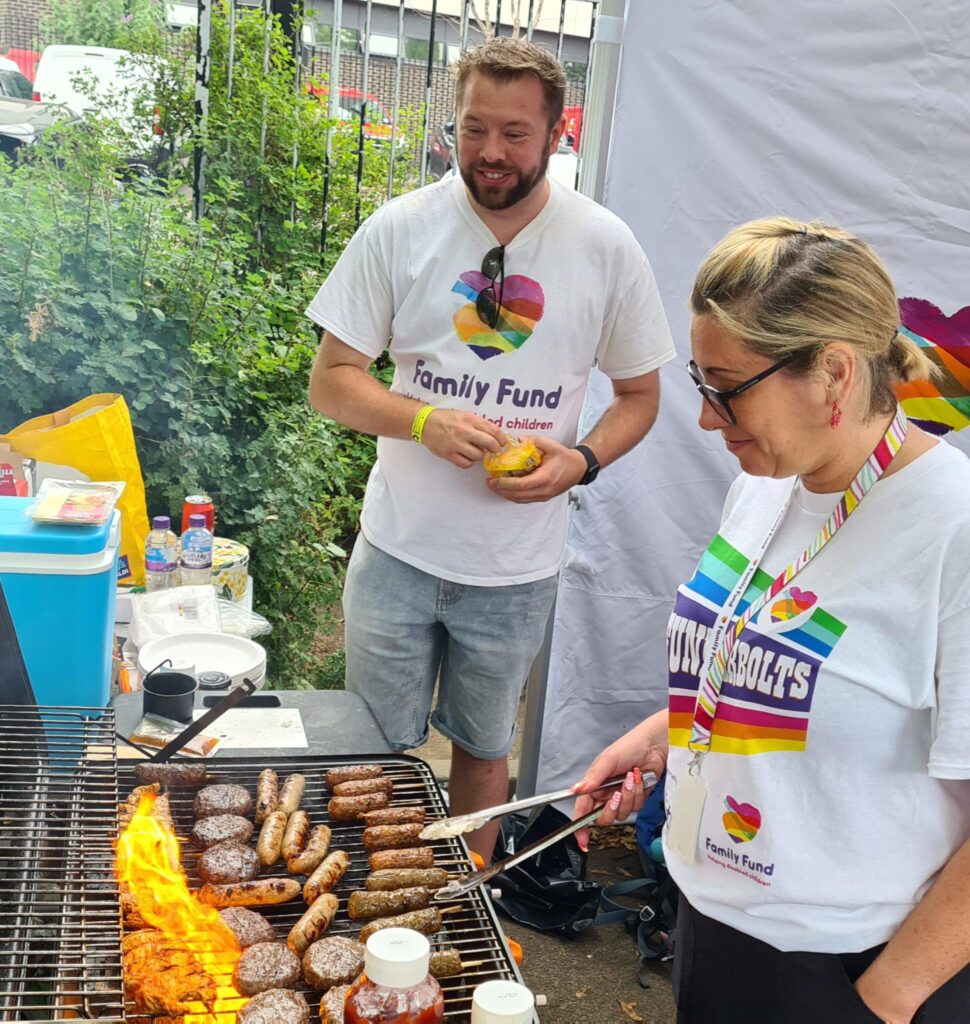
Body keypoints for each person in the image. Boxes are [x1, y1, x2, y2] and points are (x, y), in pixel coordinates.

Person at [574, 217, 970, 1023]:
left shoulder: (952, 527)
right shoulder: (768, 478)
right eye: (700, 381)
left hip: (850, 964)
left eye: (727, 387)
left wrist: (883, 1000)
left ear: (833, 373)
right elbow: (776, 659)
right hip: (716, 921)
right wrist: (667, 731)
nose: (707, 418)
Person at [307, 37, 676, 859]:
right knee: (372, 748)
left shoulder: (604, 245)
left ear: (556, 133)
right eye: (475, 129)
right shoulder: (400, 229)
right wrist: (421, 421)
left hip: (514, 568)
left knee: (483, 749)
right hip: (397, 548)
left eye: (515, 134)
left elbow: (642, 395)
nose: (492, 153)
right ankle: (371, 901)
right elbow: (331, 380)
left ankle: (474, 892)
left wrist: (580, 461)